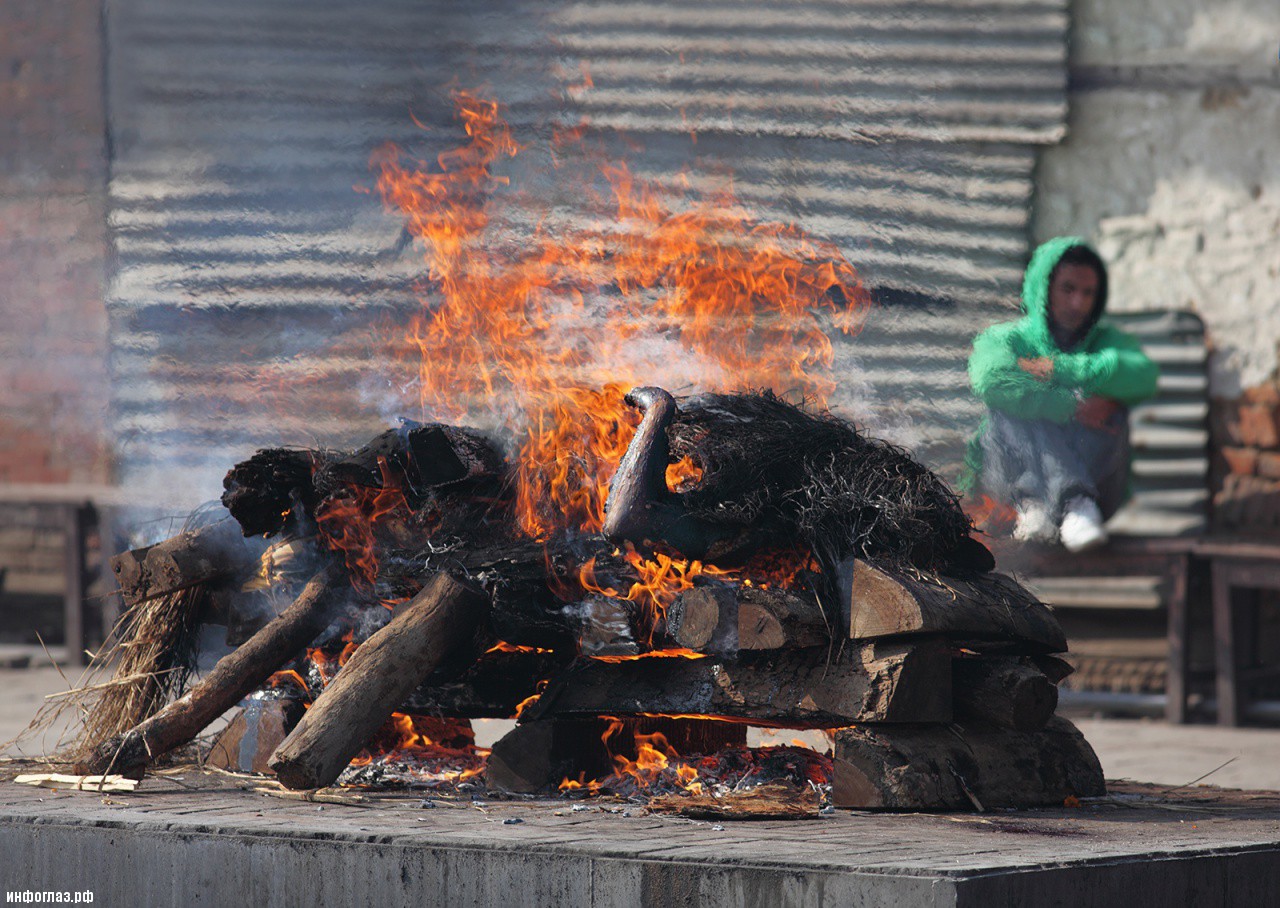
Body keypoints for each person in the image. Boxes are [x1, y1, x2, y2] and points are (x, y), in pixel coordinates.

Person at [961, 236, 1159, 552]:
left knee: (1112, 408)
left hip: (1099, 492)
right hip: (1008, 496)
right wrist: (1071, 405)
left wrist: (1059, 369)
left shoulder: (1108, 341)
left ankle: (1073, 505)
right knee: (1008, 404)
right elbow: (989, 378)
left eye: (1088, 292)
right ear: (1044, 289)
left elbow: (1144, 377)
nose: (1078, 302)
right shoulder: (1007, 339)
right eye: (1068, 289)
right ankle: (1053, 502)